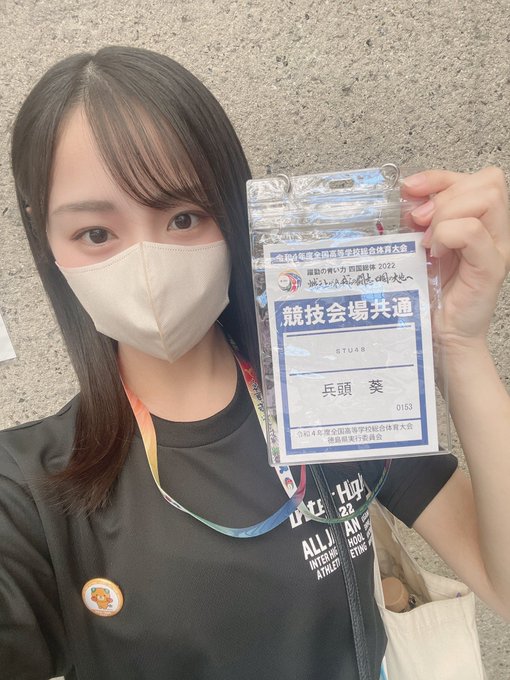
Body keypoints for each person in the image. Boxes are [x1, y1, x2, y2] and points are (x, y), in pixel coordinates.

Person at [1, 45, 509, 680]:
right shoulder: (25, 488)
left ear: (235, 210)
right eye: (96, 234)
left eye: (184, 217)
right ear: (44, 237)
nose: (147, 264)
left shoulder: (334, 393)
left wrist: (461, 344)